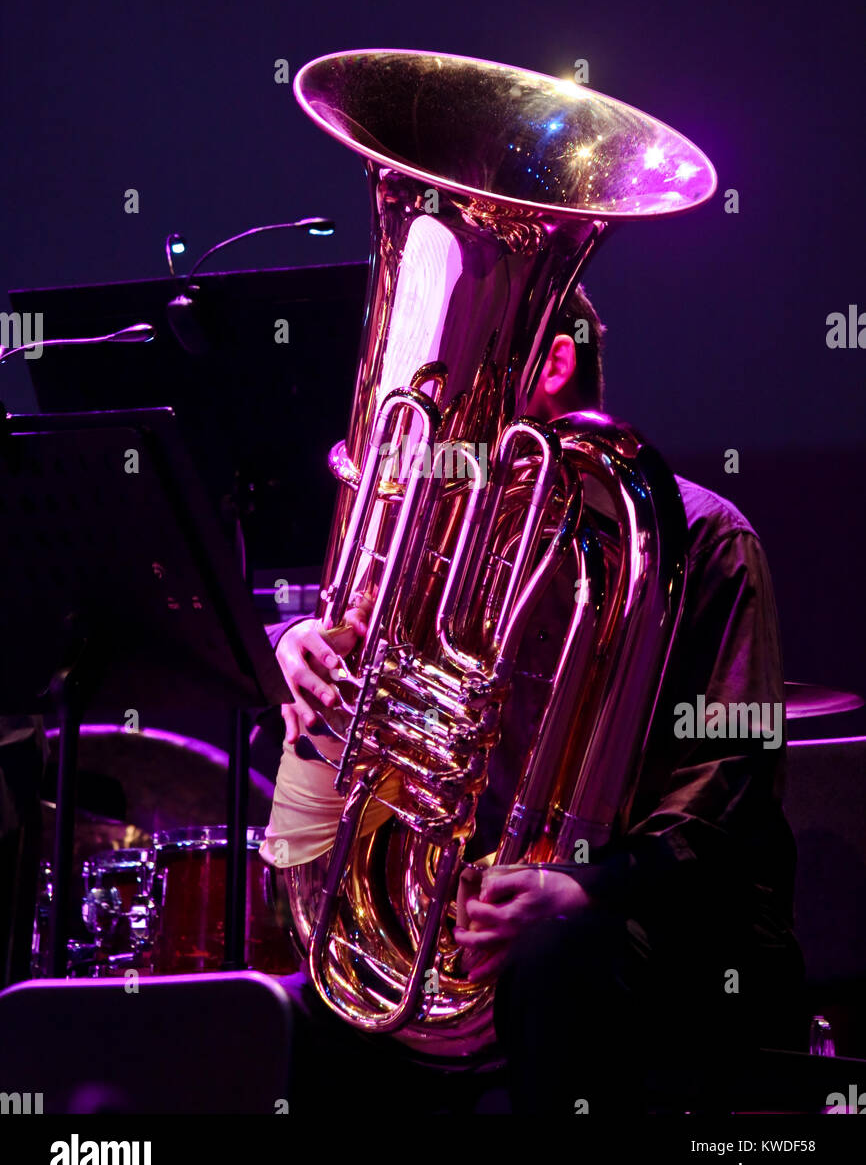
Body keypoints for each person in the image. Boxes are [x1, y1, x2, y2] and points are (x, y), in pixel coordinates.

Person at [259, 284, 807, 1114]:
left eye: (475, 367)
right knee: (298, 1021)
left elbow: (726, 784)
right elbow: (370, 695)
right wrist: (303, 647)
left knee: (551, 953)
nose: (447, 406)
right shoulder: (452, 546)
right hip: (482, 940)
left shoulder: (704, 538)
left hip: (669, 939)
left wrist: (586, 882)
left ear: (554, 362)